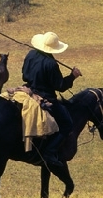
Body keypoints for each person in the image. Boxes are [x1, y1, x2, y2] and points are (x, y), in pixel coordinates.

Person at [22, 31, 82, 167]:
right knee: (67, 124)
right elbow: (60, 86)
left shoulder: (30, 54)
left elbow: (25, 76)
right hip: (45, 97)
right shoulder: (51, 63)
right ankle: (50, 152)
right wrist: (73, 76)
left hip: (28, 90)